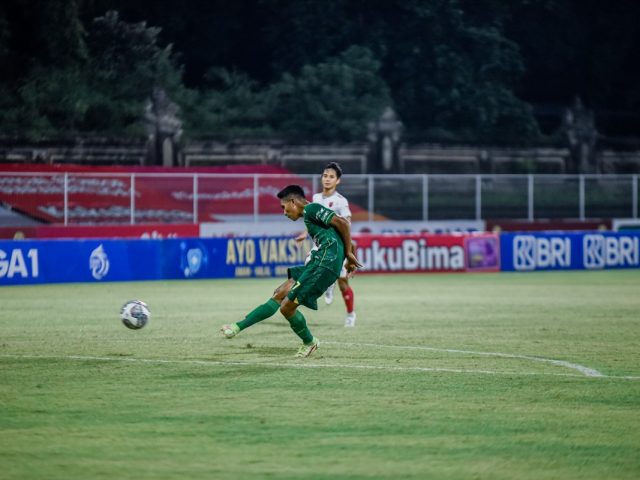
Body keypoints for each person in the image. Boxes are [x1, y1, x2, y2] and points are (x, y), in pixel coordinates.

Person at [220, 184, 361, 357]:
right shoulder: (310, 217)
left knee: (287, 308)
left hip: (324, 264)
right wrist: (350, 256)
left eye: (283, 207)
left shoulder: (311, 209)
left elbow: (343, 222)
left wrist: (347, 254)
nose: (284, 212)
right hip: (318, 263)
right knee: (280, 293)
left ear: (293, 202)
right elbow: (342, 232)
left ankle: (310, 342)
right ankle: (236, 327)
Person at [295, 162, 357, 327]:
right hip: (320, 243)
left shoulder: (340, 201)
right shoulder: (315, 198)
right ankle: (327, 284)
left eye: (331, 177)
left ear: (338, 181)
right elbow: (312, 221)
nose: (327, 179)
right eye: (325, 176)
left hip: (337, 245)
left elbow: (347, 223)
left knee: (343, 282)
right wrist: (304, 234)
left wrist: (348, 245)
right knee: (309, 263)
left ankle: (351, 314)